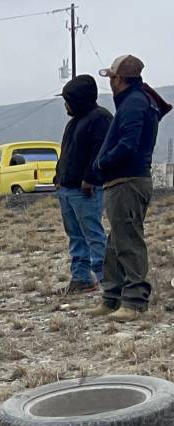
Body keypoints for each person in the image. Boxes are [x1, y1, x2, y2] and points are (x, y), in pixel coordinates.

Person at [88, 54, 171, 322]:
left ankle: (134, 302)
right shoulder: (138, 100)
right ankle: (112, 298)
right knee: (116, 243)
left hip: (128, 181)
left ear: (119, 78)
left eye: (111, 77)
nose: (110, 82)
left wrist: (101, 163)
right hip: (125, 181)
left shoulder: (134, 104)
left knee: (128, 242)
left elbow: (127, 145)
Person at [54, 75, 112, 295]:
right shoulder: (75, 122)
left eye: (68, 100)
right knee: (76, 237)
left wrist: (91, 179)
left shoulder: (100, 119)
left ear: (79, 99)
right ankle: (81, 278)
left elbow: (100, 153)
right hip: (67, 189)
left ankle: (108, 282)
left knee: (93, 236)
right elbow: (67, 154)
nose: (66, 105)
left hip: (85, 189)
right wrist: (58, 178)